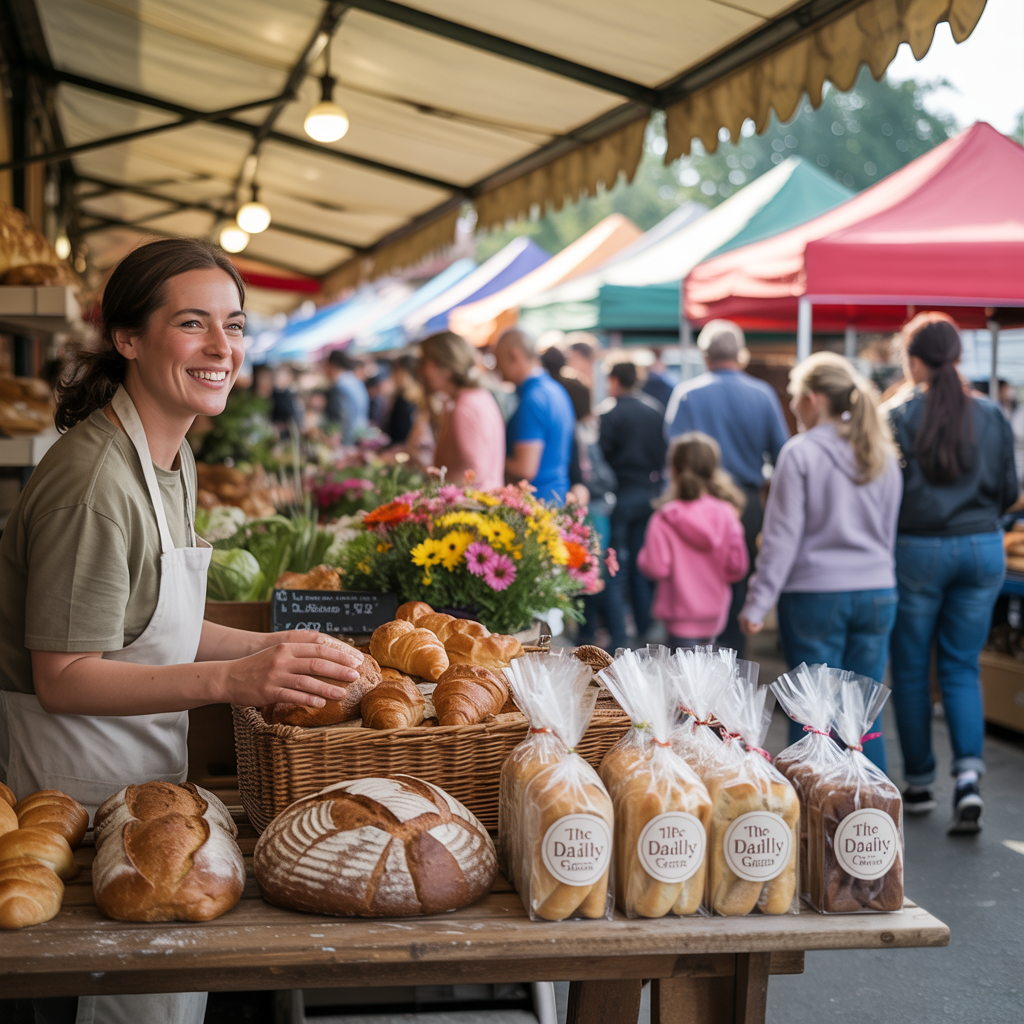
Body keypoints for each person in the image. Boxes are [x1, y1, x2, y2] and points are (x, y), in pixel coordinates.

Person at [0, 239, 364, 1024]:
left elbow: (154, 626)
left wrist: (271, 650)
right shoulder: (94, 483)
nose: (220, 348)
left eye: (233, 326)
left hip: (136, 790)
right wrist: (233, 681)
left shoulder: (171, 456)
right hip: (68, 799)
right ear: (127, 338)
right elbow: (65, 676)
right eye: (192, 323)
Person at [885, 313, 1017, 832]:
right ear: (957, 356)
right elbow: (1009, 489)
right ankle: (968, 779)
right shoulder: (991, 413)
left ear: (913, 359)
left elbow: (881, 492)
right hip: (984, 548)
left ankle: (919, 782)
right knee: (962, 665)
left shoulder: (896, 415)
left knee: (914, 667)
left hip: (917, 549)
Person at [739, 353, 903, 771]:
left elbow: (780, 539)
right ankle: (870, 823)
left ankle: (817, 824)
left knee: (813, 716)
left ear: (812, 399)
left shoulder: (800, 453)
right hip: (877, 592)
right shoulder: (881, 453)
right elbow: (888, 533)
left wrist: (758, 603)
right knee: (863, 719)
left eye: (793, 398)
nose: (791, 407)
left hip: (815, 596)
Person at [664, 319, 789, 654]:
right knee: (737, 581)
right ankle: (731, 661)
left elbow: (671, 456)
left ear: (705, 355)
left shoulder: (687, 394)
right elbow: (782, 454)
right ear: (741, 355)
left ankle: (692, 658)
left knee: (690, 581)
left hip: (694, 504)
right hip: (746, 505)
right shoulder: (762, 395)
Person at [637, 432, 748, 649]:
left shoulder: (664, 517)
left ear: (674, 470)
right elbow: (737, 568)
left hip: (678, 616)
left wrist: (643, 557)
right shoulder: (727, 513)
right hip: (715, 615)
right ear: (713, 470)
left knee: (680, 677)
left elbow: (656, 567)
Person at [599, 362, 667, 642]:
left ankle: (619, 636)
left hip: (620, 495)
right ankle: (644, 628)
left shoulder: (610, 412)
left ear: (614, 380)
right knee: (642, 564)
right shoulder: (655, 410)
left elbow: (602, 458)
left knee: (614, 566)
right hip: (649, 494)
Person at [494, 328, 575, 503]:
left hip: (536, 504)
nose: (497, 368)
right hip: (556, 497)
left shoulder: (533, 399)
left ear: (515, 356)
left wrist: (490, 454)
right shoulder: (556, 390)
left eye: (498, 361)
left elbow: (525, 468)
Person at [420, 330, 505, 490]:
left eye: (424, 361)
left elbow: (475, 474)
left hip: (473, 509)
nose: (419, 370)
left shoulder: (465, 405)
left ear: (444, 365)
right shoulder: (474, 396)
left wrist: (434, 494)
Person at [323, 349, 369, 444]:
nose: (325, 371)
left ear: (333, 366)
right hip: (361, 436)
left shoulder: (341, 386)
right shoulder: (356, 381)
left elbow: (345, 419)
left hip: (350, 440)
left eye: (326, 366)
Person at [384, 353, 420, 446]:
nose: (393, 376)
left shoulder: (407, 399)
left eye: (395, 371)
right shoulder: (406, 396)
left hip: (401, 451)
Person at [565, 335, 607, 406]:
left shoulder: (598, 376)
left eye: (570, 359)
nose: (568, 363)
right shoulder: (577, 379)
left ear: (577, 355)